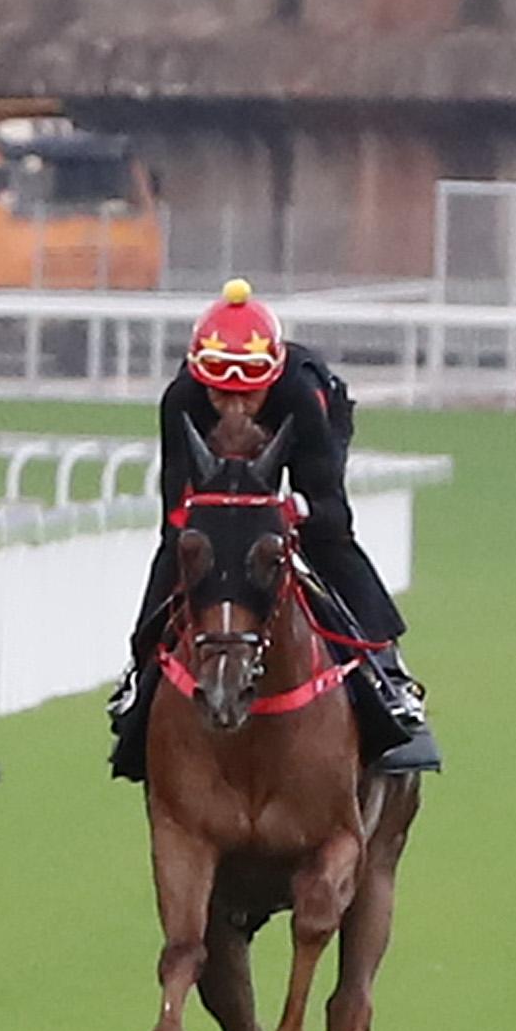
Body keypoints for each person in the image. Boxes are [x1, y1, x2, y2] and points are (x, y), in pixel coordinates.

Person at [110, 282, 437, 779]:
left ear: (270, 379)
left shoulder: (299, 395)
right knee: (184, 549)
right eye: (222, 395)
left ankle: (390, 676)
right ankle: (139, 673)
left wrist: (289, 509)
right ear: (202, 382)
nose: (235, 407)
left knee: (330, 543)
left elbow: (328, 506)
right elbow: (177, 512)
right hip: (209, 485)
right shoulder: (182, 399)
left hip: (309, 453)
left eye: (248, 395)